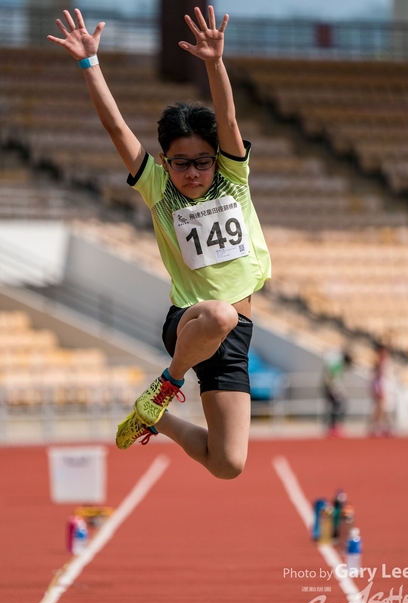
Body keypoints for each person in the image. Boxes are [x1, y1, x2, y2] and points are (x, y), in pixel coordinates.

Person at [48, 6, 271, 479]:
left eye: (201, 162)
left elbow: (227, 116)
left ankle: (157, 416)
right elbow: (116, 129)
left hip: (235, 340)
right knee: (219, 312)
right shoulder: (158, 189)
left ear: (217, 160)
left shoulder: (232, 178)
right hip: (190, 322)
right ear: (164, 163)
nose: (192, 172)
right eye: (180, 162)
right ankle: (167, 384)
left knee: (228, 463)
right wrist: (90, 64)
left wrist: (214, 63)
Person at [322, 349, 353, 437]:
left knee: (337, 407)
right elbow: (330, 376)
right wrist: (332, 389)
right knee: (336, 408)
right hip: (332, 389)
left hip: (335, 388)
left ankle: (335, 427)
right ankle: (333, 427)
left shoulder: (337, 364)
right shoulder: (337, 364)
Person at [368, 344, 395, 437]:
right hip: (381, 386)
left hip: (385, 386)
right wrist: (379, 389)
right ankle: (377, 426)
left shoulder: (387, 362)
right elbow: (378, 377)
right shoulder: (379, 362)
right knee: (379, 407)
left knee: (384, 408)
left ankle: (384, 426)